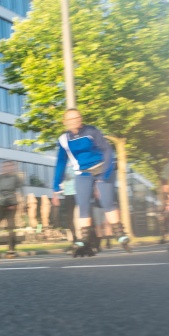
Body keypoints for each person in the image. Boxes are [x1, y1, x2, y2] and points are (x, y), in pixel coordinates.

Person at [50, 108, 131, 256]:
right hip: (83, 174)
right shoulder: (63, 140)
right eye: (71, 119)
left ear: (80, 119)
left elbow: (107, 150)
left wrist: (105, 174)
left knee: (107, 203)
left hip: (102, 169)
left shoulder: (92, 131)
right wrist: (56, 185)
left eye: (77, 117)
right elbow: (61, 162)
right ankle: (84, 240)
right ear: (65, 122)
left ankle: (120, 234)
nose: (74, 121)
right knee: (83, 205)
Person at [58, 170, 78, 252]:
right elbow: (58, 176)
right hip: (68, 194)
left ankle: (88, 240)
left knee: (83, 217)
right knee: (70, 219)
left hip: (79, 192)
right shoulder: (63, 162)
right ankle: (75, 241)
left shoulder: (77, 158)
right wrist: (55, 194)